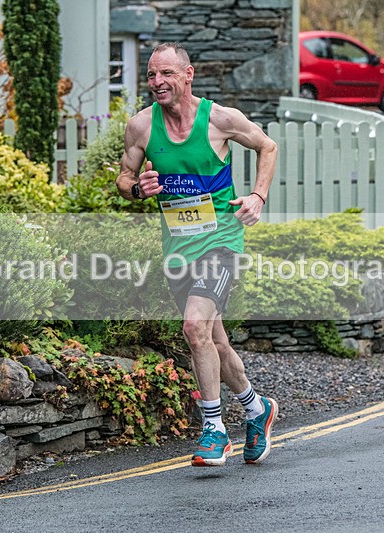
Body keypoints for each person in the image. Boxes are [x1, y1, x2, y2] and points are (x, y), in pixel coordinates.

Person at [116, 42, 279, 467]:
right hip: (178, 248)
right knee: (215, 341)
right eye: (152, 75)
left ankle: (214, 429)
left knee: (193, 327)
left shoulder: (220, 120)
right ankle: (257, 409)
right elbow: (124, 177)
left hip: (221, 241)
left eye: (166, 73)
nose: (157, 82)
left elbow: (268, 146)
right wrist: (138, 189)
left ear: (188, 75)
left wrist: (258, 196)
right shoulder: (140, 127)